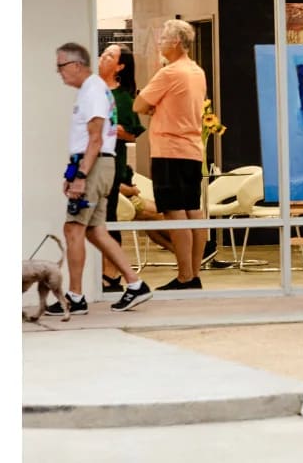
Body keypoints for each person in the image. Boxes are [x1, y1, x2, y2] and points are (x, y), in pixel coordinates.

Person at [46, 42, 153, 315]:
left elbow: (95, 138)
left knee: (73, 229)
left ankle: (75, 297)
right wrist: (73, 172)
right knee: (95, 230)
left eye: (61, 66)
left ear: (76, 65)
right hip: (95, 164)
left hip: (94, 166)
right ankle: (135, 284)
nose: (59, 72)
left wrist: (81, 175)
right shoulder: (92, 89)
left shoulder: (93, 90)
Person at [133, 19, 208, 290]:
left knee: (175, 213)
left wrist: (153, 107)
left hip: (168, 150)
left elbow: (139, 104)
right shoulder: (197, 71)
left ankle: (185, 276)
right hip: (192, 150)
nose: (160, 43)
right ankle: (194, 273)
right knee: (193, 211)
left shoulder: (169, 73)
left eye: (163, 39)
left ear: (176, 42)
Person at [97, 44, 146, 292]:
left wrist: (114, 130)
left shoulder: (123, 98)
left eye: (109, 56)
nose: (102, 58)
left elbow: (132, 134)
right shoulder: (91, 90)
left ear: (120, 66)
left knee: (108, 218)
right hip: (89, 163)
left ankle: (112, 273)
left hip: (110, 165)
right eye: (103, 53)